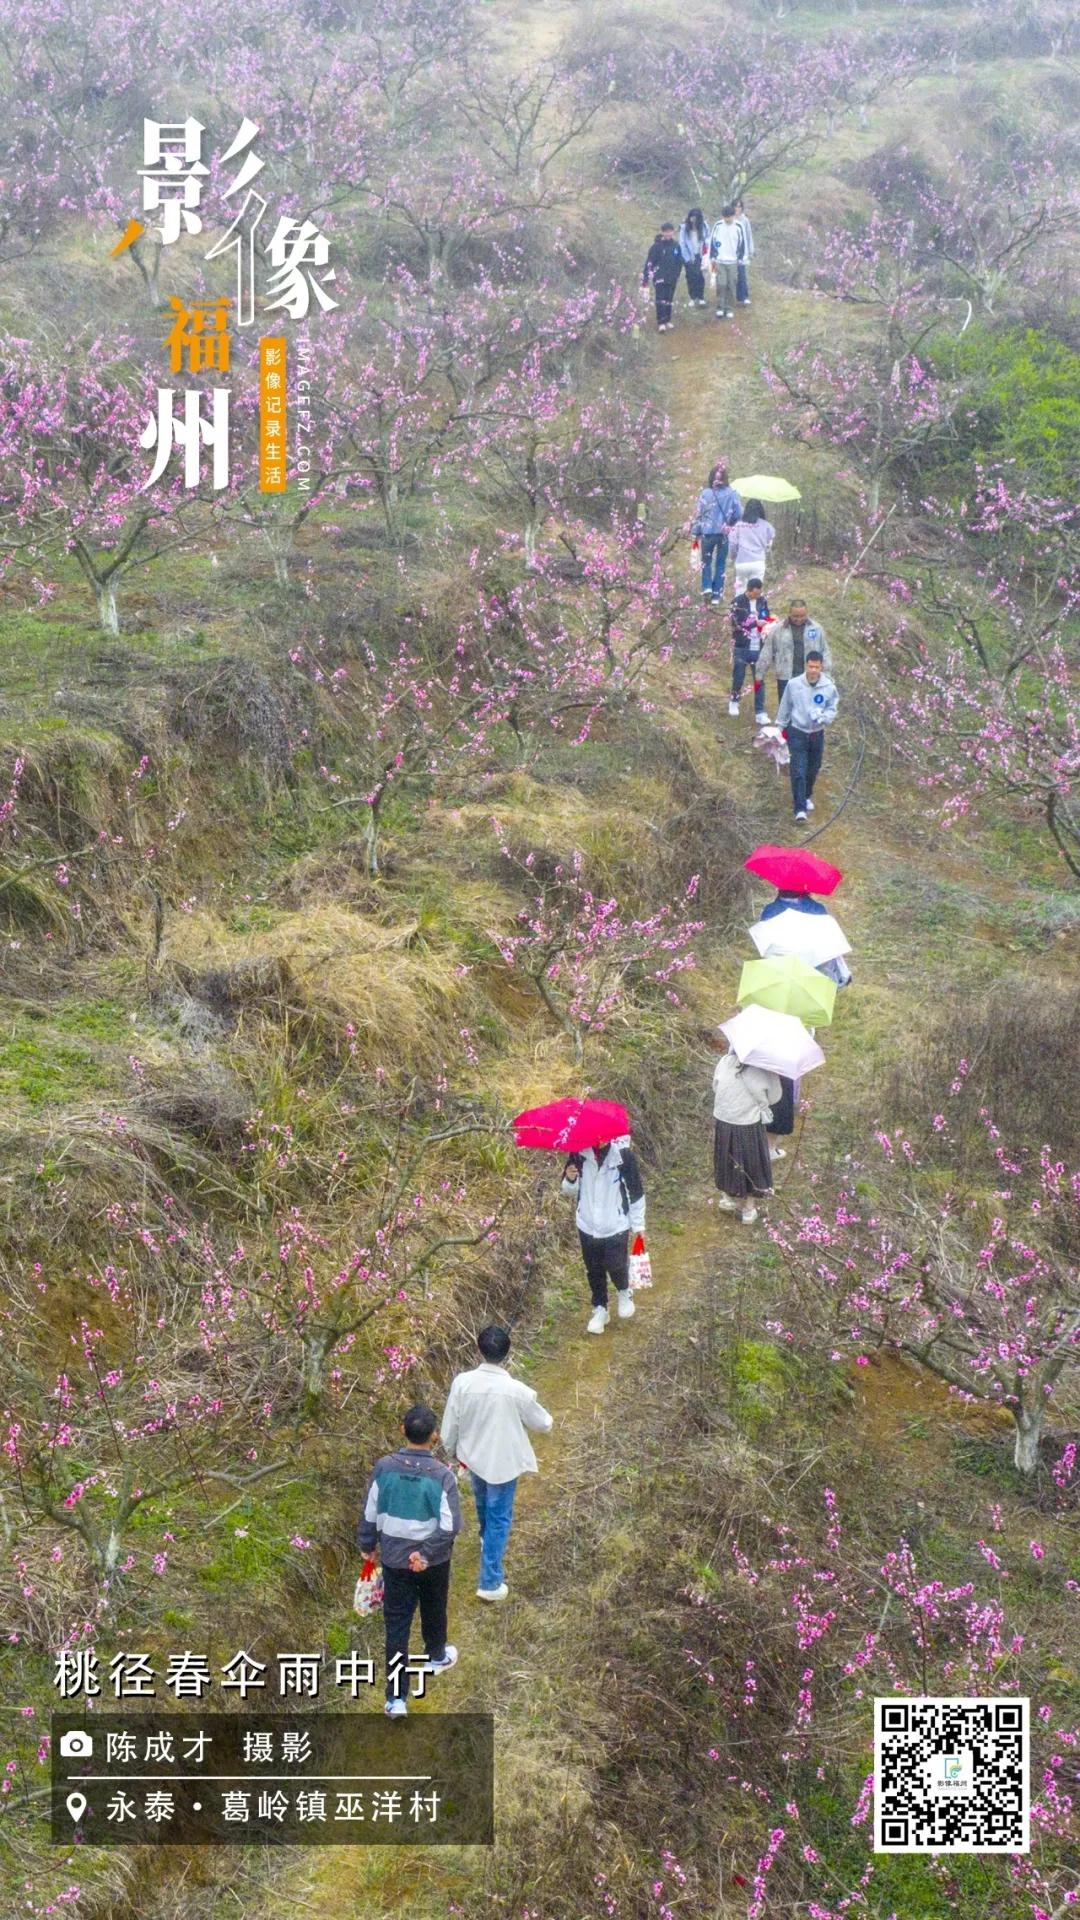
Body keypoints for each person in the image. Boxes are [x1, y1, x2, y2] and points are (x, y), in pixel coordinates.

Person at [358, 1404, 462, 1718]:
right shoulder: (442, 1476)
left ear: (402, 1430)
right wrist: (426, 1554)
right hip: (433, 1562)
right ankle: (436, 1655)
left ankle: (396, 1699)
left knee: (397, 1626)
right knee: (434, 1607)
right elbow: (451, 1525)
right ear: (434, 1436)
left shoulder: (384, 1468)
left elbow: (370, 1512)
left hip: (394, 1559)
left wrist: (367, 1544)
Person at [440, 1326, 553, 1604]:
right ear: (507, 1353)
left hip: (473, 1456)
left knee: (482, 1503)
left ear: (479, 1349)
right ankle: (490, 1581)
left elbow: (450, 1423)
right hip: (502, 1462)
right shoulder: (516, 1390)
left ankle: (484, 1539)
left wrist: (452, 1449)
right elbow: (544, 1423)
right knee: (500, 1517)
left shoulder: (463, 1383)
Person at [561, 1135, 646, 1334]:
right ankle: (600, 1308)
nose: (600, 1141)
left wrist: (638, 1225)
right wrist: (570, 1178)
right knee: (594, 1269)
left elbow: (636, 1192)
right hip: (587, 1224)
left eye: (604, 1137)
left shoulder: (623, 1154)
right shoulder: (579, 1152)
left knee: (616, 1264)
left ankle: (624, 1291)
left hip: (615, 1224)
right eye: (595, 1136)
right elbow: (569, 1190)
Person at [711, 1039, 780, 1225]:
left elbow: (715, 1087)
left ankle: (727, 1198)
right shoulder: (764, 1069)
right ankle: (749, 1209)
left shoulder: (725, 1062)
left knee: (726, 1158)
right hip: (748, 1122)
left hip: (724, 1120)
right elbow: (774, 1097)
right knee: (752, 1162)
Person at [776, 651, 839, 823]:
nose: (813, 670)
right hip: (797, 732)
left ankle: (806, 794)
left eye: (816, 667)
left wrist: (825, 717)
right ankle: (800, 809)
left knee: (814, 767)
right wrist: (779, 728)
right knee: (799, 769)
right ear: (806, 665)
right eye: (810, 666)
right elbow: (785, 707)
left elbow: (832, 708)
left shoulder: (829, 687)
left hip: (816, 734)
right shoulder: (794, 684)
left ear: (821, 667)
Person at [758, 888, 852, 988]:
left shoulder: (769, 910)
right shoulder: (817, 909)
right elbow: (829, 944)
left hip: (780, 967)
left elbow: (763, 942)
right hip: (813, 967)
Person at [755, 600, 831, 713]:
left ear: (807, 613)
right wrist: (759, 674)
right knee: (786, 711)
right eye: (795, 616)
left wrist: (827, 675)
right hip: (785, 677)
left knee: (809, 711)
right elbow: (767, 652)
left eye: (802, 616)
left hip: (810, 676)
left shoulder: (816, 629)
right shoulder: (778, 630)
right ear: (789, 613)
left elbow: (824, 652)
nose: (799, 619)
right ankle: (786, 730)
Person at [691, 462, 742, 602]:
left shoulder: (705, 493)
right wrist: (730, 524)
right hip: (724, 535)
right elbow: (739, 513)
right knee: (720, 563)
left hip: (707, 533)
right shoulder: (732, 493)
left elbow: (699, 514)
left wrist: (696, 532)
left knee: (706, 561)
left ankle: (706, 586)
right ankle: (716, 595)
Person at [729, 578, 770, 721]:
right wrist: (754, 623)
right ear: (749, 590)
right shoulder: (737, 602)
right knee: (738, 676)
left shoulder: (762, 601)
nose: (758, 596)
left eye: (759, 593)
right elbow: (735, 624)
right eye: (755, 594)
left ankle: (760, 711)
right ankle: (734, 702)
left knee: (759, 679)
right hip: (741, 645)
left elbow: (766, 615)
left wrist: (767, 623)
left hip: (758, 646)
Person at [725, 498, 775, 595]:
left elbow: (732, 544)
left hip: (741, 563)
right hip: (758, 562)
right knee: (755, 593)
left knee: (740, 592)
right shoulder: (766, 525)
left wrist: (733, 556)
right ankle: (753, 609)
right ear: (760, 510)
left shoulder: (738, 526)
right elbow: (770, 542)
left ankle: (738, 609)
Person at [641, 223, 683, 331]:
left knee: (669, 298)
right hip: (659, 277)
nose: (668, 233)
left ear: (673, 232)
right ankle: (661, 322)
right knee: (660, 298)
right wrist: (646, 279)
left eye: (670, 231)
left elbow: (679, 261)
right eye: (666, 231)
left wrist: (677, 274)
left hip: (672, 277)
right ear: (662, 232)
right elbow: (649, 263)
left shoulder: (676, 245)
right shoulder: (656, 247)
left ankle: (667, 320)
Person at [709, 204, 742, 319]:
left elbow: (742, 244)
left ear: (734, 216)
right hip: (720, 260)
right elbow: (712, 241)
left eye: (729, 217)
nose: (727, 219)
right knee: (721, 284)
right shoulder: (718, 225)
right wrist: (713, 255)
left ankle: (729, 308)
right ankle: (720, 307)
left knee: (731, 285)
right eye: (725, 217)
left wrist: (741, 257)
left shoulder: (739, 226)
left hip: (733, 261)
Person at [678, 208, 710, 307]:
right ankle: (692, 297)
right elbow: (682, 244)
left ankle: (700, 297)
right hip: (688, 256)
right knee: (690, 276)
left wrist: (706, 253)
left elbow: (708, 238)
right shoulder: (684, 228)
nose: (694, 220)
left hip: (700, 255)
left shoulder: (704, 226)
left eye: (696, 218)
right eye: (692, 217)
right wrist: (687, 258)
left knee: (700, 277)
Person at [734, 198, 754, 306]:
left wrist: (750, 250)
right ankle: (735, 296)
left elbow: (748, 235)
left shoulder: (744, 220)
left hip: (742, 251)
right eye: (736, 206)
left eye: (739, 206)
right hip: (731, 251)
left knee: (742, 274)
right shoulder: (729, 219)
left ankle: (744, 296)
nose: (737, 208)